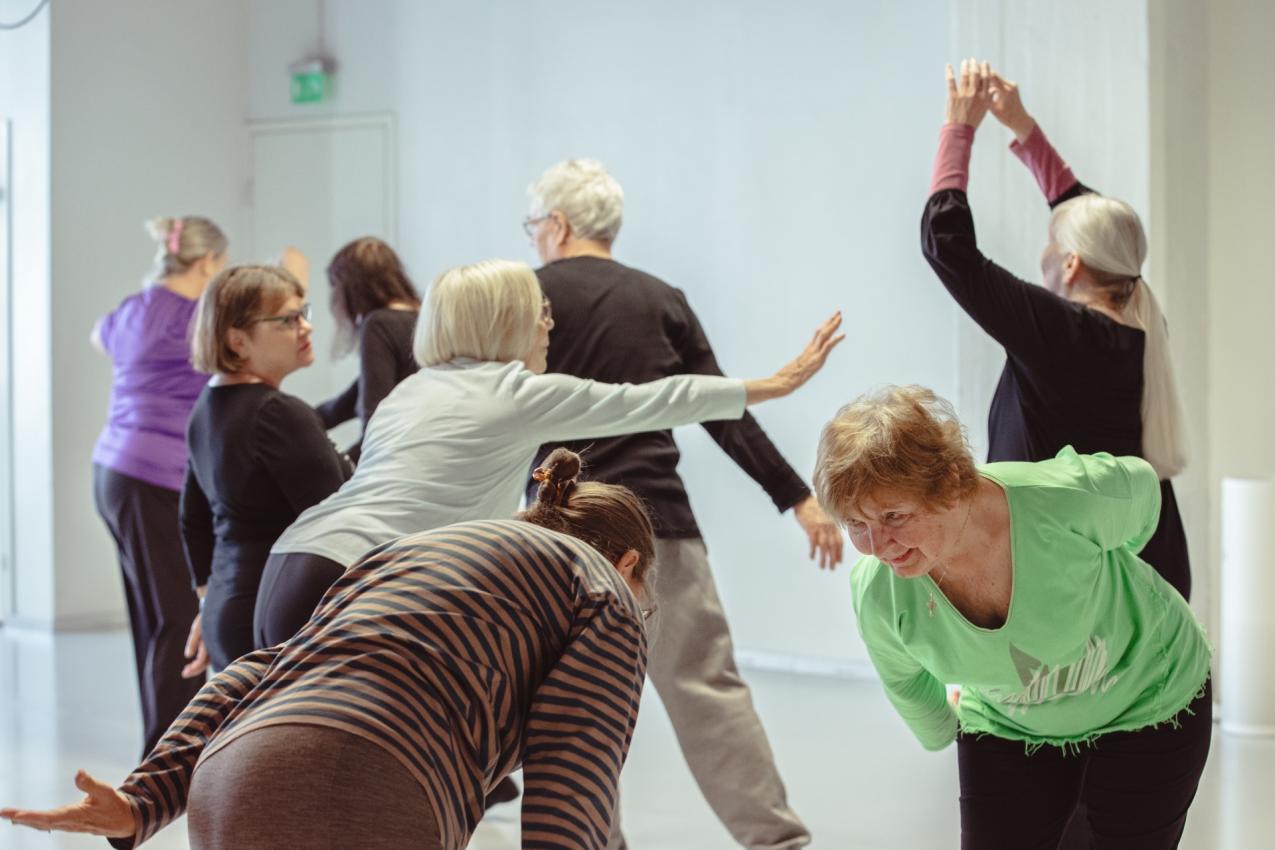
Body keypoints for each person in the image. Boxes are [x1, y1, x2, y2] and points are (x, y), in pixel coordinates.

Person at [1, 449, 659, 850]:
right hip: (368, 781)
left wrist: (145, 801)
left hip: (229, 782)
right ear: (628, 561)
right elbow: (572, 768)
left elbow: (260, 671)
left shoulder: (417, 552)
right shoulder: (602, 587)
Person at [253, 258, 841, 651]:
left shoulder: (414, 389)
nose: (549, 327)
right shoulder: (513, 392)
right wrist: (775, 384)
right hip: (356, 581)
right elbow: (653, 401)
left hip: (290, 563)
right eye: (542, 312)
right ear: (510, 320)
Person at [522, 158, 840, 849]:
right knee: (708, 695)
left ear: (557, 224)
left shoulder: (527, 295)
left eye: (534, 226)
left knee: (574, 710)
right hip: (658, 524)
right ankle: (778, 843)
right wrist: (797, 499)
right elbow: (720, 408)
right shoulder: (659, 297)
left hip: (558, 534)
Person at [815, 385, 1212, 849]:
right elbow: (905, 681)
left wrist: (1102, 575)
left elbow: (1141, 492)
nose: (878, 546)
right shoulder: (878, 591)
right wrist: (942, 731)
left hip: (1150, 694)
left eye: (895, 516)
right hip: (1009, 723)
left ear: (947, 484)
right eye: (857, 525)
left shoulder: (1057, 499)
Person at [922, 60, 1191, 600]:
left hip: (1065, 579)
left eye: (1052, 244)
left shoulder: (1059, 331)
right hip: (1141, 568)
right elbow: (1105, 231)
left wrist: (960, 127)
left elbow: (946, 246)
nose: (1043, 253)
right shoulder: (1143, 321)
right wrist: (1023, 126)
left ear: (1070, 265)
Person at [91, 215, 227, 757]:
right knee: (179, 616)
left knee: (154, 615)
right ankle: (171, 757)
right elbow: (247, 345)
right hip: (154, 478)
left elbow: (98, 338)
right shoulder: (195, 319)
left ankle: (166, 743)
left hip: (112, 472)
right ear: (208, 262)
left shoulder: (132, 309)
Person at [180, 264, 352, 673]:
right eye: (289, 320)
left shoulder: (206, 409)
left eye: (303, 312)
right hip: (273, 612)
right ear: (237, 340)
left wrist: (208, 604)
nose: (306, 327)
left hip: (230, 606)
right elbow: (340, 516)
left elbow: (193, 518)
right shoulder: (276, 413)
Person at [314, 236, 422, 460]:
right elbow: (346, 403)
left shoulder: (379, 324)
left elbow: (374, 421)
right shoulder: (421, 318)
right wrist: (293, 422)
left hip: (397, 461)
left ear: (350, 288)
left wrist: (338, 471)